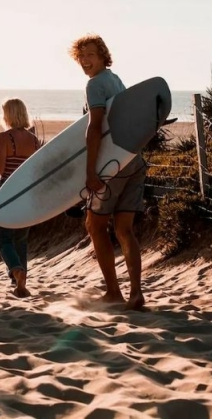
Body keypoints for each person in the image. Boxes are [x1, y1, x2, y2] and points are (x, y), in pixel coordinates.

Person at [69, 34, 146, 311]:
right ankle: (136, 293)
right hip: (133, 159)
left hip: (111, 167)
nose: (85, 61)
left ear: (102, 55)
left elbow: (95, 127)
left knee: (95, 225)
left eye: (90, 55)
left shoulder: (95, 85)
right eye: (81, 57)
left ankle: (114, 291)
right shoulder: (115, 80)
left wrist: (90, 172)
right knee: (125, 229)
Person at [0, 98, 40, 298]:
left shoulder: (5, 137)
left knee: (3, 239)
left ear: (9, 115)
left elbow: (0, 169)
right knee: (21, 239)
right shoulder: (33, 140)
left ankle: (16, 270)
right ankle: (20, 282)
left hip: (8, 190)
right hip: (26, 192)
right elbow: (35, 170)